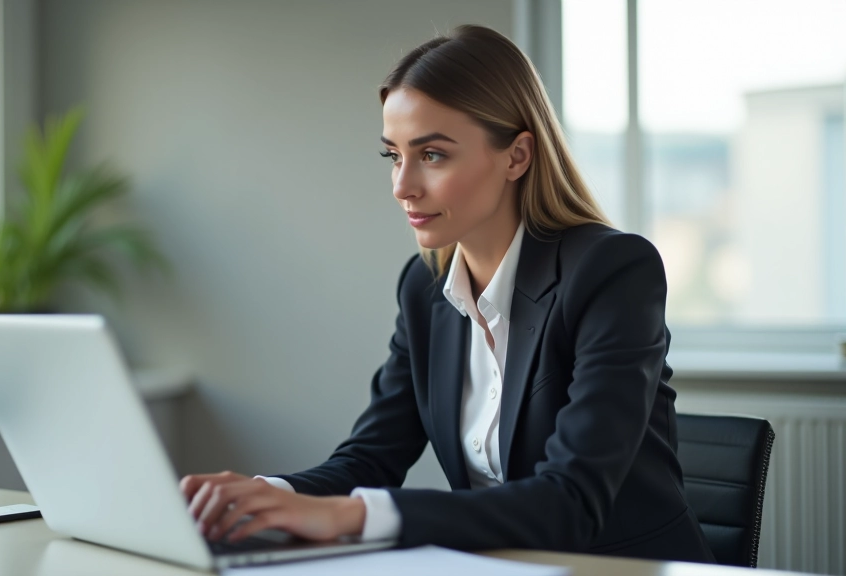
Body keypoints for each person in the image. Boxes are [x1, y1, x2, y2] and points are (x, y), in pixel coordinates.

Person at [179, 24, 715, 563]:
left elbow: (571, 501)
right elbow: (370, 458)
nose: (402, 185)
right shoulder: (425, 288)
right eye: (393, 155)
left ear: (517, 156)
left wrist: (354, 515)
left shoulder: (611, 270)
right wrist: (268, 497)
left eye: (432, 155)